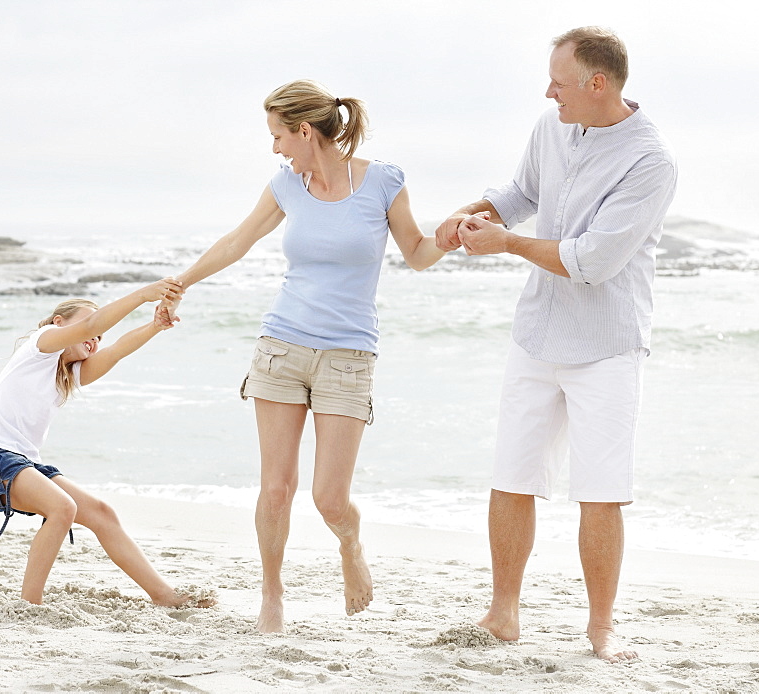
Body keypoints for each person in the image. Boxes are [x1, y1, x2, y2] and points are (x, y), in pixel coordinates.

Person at [164, 79, 445, 633]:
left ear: (304, 131)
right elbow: (236, 242)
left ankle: (351, 548)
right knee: (276, 488)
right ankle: (272, 596)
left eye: (277, 136)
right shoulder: (287, 185)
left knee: (330, 499)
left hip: (348, 355)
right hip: (281, 346)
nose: (274, 149)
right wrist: (182, 282)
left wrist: (453, 235)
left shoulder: (383, 182)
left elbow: (417, 253)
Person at [435, 26, 677, 662]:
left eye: (560, 82)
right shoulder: (553, 127)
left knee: (599, 490)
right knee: (512, 475)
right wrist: (469, 216)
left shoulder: (651, 162)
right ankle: (503, 613)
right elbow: (521, 195)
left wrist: (507, 244)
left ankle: (601, 628)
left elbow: (593, 260)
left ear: (597, 84)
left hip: (608, 346)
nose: (549, 92)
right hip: (537, 333)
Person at [0, 279, 212, 608]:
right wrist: (142, 294)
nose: (94, 338)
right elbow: (95, 323)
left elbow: (117, 350)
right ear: (59, 323)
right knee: (63, 507)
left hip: (20, 463)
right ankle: (29, 605)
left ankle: (165, 597)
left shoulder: (67, 374)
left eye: (97, 338)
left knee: (101, 513)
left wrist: (155, 325)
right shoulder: (40, 346)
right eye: (87, 329)